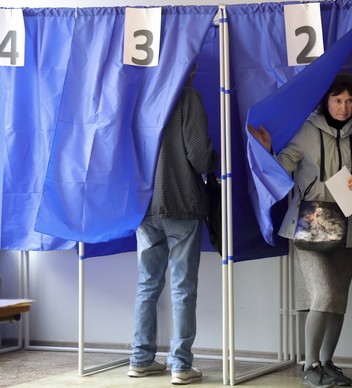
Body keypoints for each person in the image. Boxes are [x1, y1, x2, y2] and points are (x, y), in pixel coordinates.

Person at [248, 72, 352, 387]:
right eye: (337, 100)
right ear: (326, 101)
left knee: (338, 299)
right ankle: (310, 364)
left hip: (348, 223)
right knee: (324, 294)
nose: (344, 107)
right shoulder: (306, 131)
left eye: (349, 100)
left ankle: (329, 363)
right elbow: (280, 171)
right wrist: (266, 152)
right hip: (309, 224)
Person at [128, 65, 218, 385]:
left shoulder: (140, 99)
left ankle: (140, 359)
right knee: (182, 288)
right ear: (190, 69)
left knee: (147, 285)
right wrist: (215, 160)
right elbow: (199, 155)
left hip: (144, 207)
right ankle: (180, 365)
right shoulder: (187, 98)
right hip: (181, 203)